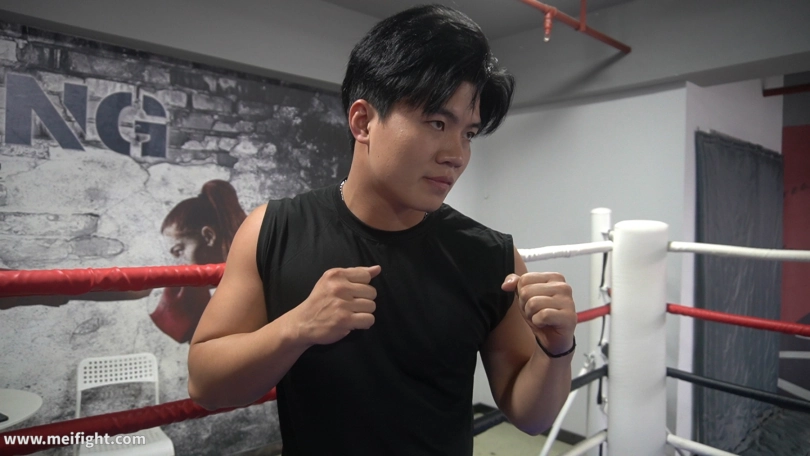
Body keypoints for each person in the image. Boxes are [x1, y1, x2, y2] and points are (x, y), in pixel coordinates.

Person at [187, 5, 577, 455]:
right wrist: (297, 327)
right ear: (363, 121)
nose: (456, 155)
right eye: (437, 123)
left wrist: (557, 348)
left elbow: (532, 417)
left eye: (468, 133)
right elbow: (205, 385)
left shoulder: (491, 256)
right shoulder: (273, 230)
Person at [151, 179, 247, 343]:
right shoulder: (237, 275)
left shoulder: (252, 278)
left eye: (179, 251)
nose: (179, 263)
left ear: (208, 236)